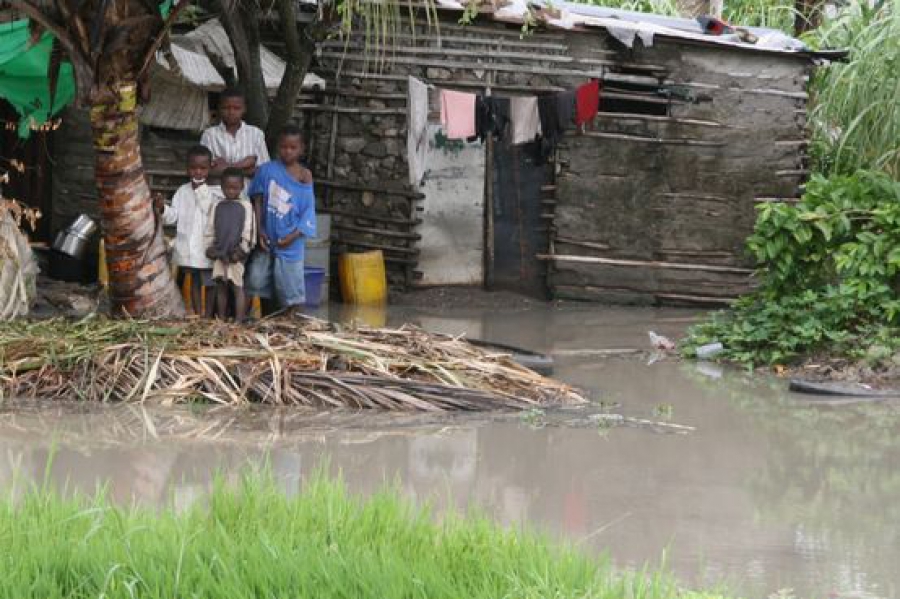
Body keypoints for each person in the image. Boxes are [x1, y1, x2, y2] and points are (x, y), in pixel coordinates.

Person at [245, 125, 316, 312]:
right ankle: (269, 319)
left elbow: (308, 210)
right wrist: (260, 229)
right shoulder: (266, 170)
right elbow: (257, 200)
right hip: (267, 238)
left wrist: (293, 236)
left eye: (293, 148)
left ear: (301, 149)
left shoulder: (304, 175)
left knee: (291, 288)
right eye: (284, 147)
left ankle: (294, 321)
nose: (288, 151)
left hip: (291, 241)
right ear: (278, 147)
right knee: (258, 280)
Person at [156, 145, 221, 317]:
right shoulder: (182, 191)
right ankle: (198, 313)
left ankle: (208, 315)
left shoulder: (215, 191)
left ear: (210, 168)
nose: (197, 172)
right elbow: (173, 217)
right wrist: (163, 208)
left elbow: (210, 209)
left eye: (202, 168)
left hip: (206, 247)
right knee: (194, 282)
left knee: (210, 282)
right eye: (193, 168)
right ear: (187, 168)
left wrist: (199, 188)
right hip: (189, 248)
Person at [205, 168, 256, 322]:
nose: (231, 191)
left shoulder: (246, 206)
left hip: (236, 254)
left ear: (242, 187)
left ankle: (239, 320)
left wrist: (242, 250)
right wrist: (210, 248)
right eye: (227, 187)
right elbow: (210, 228)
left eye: (235, 188)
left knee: (237, 286)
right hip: (220, 253)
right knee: (221, 286)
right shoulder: (217, 206)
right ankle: (221, 318)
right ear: (221, 187)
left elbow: (250, 231)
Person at [200, 88, 270, 179]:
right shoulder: (209, 135)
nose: (231, 112)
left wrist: (225, 167)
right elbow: (205, 170)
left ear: (244, 109)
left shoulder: (256, 134)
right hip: (218, 191)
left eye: (236, 108)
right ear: (219, 108)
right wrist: (243, 165)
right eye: (226, 108)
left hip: (248, 191)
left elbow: (264, 170)